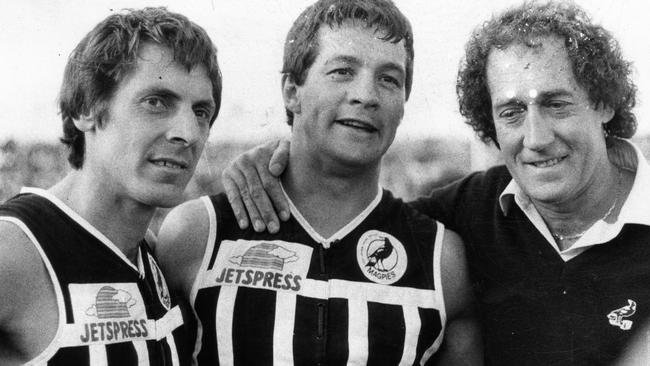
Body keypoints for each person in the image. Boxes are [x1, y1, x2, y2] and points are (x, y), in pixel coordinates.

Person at [221, 1, 647, 365]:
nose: (536, 138)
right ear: (490, 123)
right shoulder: (470, 211)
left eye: (556, 104)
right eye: (511, 112)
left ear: (604, 102)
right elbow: (355, 213)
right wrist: (277, 161)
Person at [156, 0, 481, 365]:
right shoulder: (197, 234)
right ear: (292, 91)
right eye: (342, 71)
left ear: (404, 102)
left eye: (389, 79)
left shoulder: (442, 261)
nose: (366, 95)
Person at [0, 7, 222, 366]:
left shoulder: (151, 255)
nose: (188, 133)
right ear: (87, 108)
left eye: (201, 111)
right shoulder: (16, 249)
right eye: (156, 102)